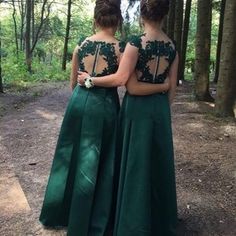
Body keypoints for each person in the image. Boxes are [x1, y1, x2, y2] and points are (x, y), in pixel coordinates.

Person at [78, 0, 179, 235]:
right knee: (156, 162)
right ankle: (157, 219)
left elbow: (131, 88)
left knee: (135, 164)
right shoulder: (172, 46)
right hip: (160, 110)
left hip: (137, 110)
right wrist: (162, 91)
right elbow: (171, 88)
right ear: (164, 15)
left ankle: (131, 221)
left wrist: (156, 90)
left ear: (142, 16)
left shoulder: (135, 43)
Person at [39, 1, 125, 235]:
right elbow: (121, 80)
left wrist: (86, 83)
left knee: (73, 155)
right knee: (100, 161)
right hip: (104, 105)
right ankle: (96, 219)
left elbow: (72, 82)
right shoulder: (121, 47)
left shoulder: (81, 44)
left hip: (78, 103)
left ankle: (62, 212)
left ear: (96, 20)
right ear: (117, 21)